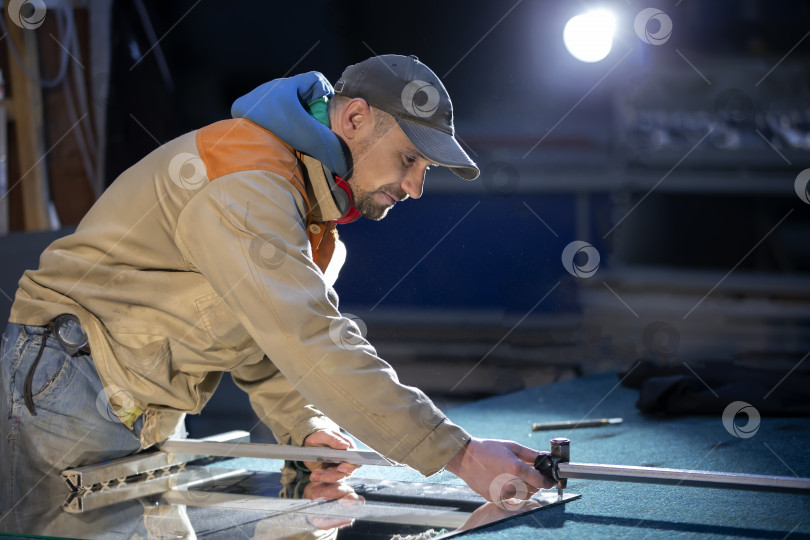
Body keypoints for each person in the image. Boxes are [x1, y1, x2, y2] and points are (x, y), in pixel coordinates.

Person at [0, 54, 551, 517]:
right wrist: (461, 454)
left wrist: (303, 428)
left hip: (133, 403)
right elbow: (311, 339)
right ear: (355, 117)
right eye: (410, 159)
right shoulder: (247, 180)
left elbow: (263, 338)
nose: (414, 187)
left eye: (424, 169)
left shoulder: (313, 218)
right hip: (71, 386)